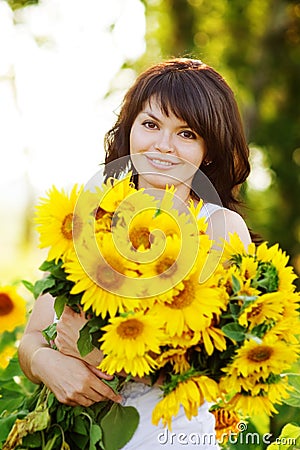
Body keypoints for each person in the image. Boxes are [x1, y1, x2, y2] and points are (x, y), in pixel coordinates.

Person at [18, 58, 252, 449]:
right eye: (151, 125)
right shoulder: (86, 221)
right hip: (83, 436)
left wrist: (98, 353)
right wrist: (48, 364)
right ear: (129, 131)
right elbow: (31, 339)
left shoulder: (220, 229)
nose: (162, 145)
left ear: (207, 151)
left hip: (174, 436)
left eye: (186, 133)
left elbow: (219, 364)